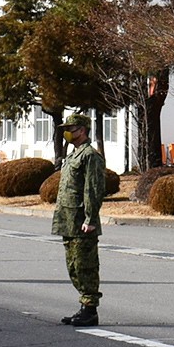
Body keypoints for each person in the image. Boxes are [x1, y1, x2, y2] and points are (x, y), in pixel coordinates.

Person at [54, 113, 108, 326]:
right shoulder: (74, 154)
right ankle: (84, 306)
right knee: (74, 266)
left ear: (82, 130)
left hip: (82, 221)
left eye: (72, 128)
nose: (67, 132)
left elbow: (93, 189)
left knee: (85, 265)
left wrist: (91, 218)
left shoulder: (89, 155)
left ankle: (90, 309)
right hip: (68, 220)